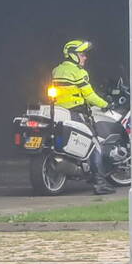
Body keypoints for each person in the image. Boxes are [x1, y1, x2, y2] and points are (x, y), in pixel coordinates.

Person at [51, 39, 115, 195]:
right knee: (95, 145)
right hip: (76, 113)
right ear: (73, 55)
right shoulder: (79, 72)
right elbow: (90, 95)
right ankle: (100, 183)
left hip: (58, 113)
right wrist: (106, 104)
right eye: (82, 54)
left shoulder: (56, 70)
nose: (85, 57)